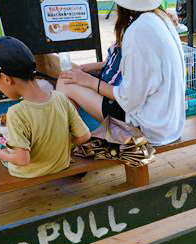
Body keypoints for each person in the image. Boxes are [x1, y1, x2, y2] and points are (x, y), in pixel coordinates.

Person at [56, 0, 186, 146]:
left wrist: (89, 81)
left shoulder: (137, 31)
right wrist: (89, 68)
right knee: (74, 80)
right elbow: (139, 67)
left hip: (149, 128)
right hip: (170, 123)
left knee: (65, 82)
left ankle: (69, 144)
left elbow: (129, 100)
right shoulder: (160, 18)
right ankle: (78, 139)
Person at [0, 36, 91, 178]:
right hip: (61, 163)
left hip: (29, 172)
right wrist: (60, 144)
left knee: (0, 147)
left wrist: (0, 154)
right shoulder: (60, 98)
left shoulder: (16, 113)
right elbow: (84, 135)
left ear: (7, 79)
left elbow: (22, 160)